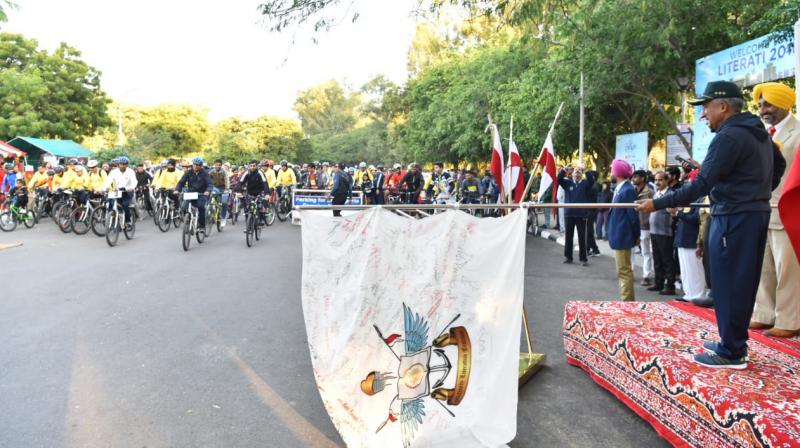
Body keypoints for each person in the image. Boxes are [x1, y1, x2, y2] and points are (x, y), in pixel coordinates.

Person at [637, 80, 786, 369]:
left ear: (723, 106)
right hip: (751, 214)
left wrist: (657, 202)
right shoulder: (756, 132)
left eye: (706, 108)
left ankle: (731, 352)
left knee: (729, 283)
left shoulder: (729, 137)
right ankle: (733, 342)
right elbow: (778, 166)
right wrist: (756, 191)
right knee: (740, 281)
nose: (704, 115)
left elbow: (702, 184)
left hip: (733, 217)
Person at [750, 82, 800, 338]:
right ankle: (763, 314)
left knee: (787, 269)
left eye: (768, 103)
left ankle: (789, 320)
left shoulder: (798, 132)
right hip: (760, 209)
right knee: (763, 266)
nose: (763, 109)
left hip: (789, 211)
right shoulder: (761, 133)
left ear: (784, 103)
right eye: (760, 104)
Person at [669, 171, 707, 303]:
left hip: (692, 238)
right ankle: (688, 293)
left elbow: (696, 218)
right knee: (685, 268)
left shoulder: (703, 198)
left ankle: (698, 294)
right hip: (683, 237)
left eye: (691, 181)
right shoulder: (690, 198)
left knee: (694, 268)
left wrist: (678, 213)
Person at [607, 159, 640, 301]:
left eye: (612, 169)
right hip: (619, 234)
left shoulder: (627, 190)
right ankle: (626, 300)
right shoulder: (620, 188)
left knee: (624, 271)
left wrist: (636, 234)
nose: (610, 171)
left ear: (617, 172)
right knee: (622, 270)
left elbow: (633, 216)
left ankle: (627, 303)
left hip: (623, 234)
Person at [557, 165, 595, 266]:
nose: (577, 172)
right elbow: (558, 179)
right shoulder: (567, 183)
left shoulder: (585, 183)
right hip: (569, 214)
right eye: (575, 170)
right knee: (568, 237)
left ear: (581, 173)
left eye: (579, 170)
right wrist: (564, 170)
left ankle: (583, 259)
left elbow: (592, 181)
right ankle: (568, 257)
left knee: (582, 237)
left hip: (581, 214)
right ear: (572, 173)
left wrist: (586, 170)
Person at [648, 171, 676, 295]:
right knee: (657, 258)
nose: (657, 182)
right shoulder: (656, 194)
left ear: (666, 181)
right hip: (654, 231)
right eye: (656, 180)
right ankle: (658, 282)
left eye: (660, 180)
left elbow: (673, 211)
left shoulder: (671, 194)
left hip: (665, 231)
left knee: (667, 260)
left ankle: (669, 285)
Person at [175, 157, 213, 234]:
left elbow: (210, 184)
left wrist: (207, 191)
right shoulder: (189, 172)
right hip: (191, 193)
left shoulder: (205, 173)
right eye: (194, 164)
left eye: (198, 165)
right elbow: (181, 182)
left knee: (201, 207)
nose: (195, 166)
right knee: (183, 207)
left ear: (201, 166)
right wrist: (177, 190)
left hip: (201, 194)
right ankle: (187, 221)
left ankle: (202, 226)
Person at [632, 170, 655, 286]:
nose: (633, 178)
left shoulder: (650, 192)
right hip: (633, 225)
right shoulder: (631, 191)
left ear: (643, 178)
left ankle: (647, 275)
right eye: (633, 176)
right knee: (633, 250)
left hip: (646, 225)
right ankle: (630, 273)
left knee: (647, 251)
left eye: (636, 176)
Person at [102, 156, 138, 226]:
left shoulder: (130, 171)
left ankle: (128, 221)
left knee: (125, 205)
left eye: (124, 164)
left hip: (127, 191)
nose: (122, 165)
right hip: (117, 191)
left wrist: (131, 187)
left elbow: (134, 181)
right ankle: (114, 218)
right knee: (111, 202)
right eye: (121, 164)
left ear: (127, 165)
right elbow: (108, 181)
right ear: (118, 164)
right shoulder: (114, 172)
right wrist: (104, 188)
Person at [209, 159, 230, 227]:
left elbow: (227, 180)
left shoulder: (224, 172)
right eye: (216, 165)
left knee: (224, 202)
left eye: (219, 165)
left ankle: (223, 218)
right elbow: (207, 180)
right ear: (214, 165)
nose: (217, 166)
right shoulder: (211, 172)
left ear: (221, 165)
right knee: (209, 199)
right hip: (215, 187)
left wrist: (227, 189)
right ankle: (209, 212)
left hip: (223, 188)